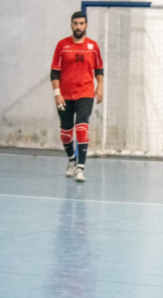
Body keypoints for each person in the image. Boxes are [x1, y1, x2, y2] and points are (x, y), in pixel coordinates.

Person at [50, 11, 104, 182]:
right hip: (65, 95)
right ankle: (72, 161)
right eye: (75, 23)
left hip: (85, 93)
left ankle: (80, 168)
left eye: (81, 23)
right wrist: (57, 94)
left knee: (81, 127)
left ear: (86, 25)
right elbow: (54, 72)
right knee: (66, 131)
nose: (78, 26)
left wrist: (100, 86)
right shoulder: (62, 46)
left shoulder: (93, 47)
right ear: (71, 24)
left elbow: (99, 69)